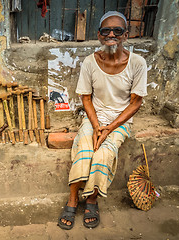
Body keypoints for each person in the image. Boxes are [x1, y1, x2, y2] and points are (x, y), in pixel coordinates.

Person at [58, 11, 147, 230]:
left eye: (117, 31)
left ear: (125, 35)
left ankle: (91, 199)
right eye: (106, 30)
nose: (111, 35)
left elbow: (135, 103)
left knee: (104, 153)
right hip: (94, 118)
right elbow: (86, 98)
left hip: (120, 121)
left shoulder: (137, 63)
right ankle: (72, 199)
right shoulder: (90, 62)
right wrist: (97, 126)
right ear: (99, 35)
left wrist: (109, 129)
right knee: (86, 150)